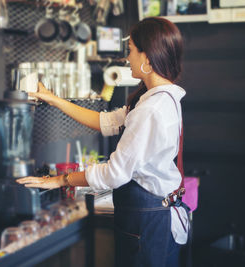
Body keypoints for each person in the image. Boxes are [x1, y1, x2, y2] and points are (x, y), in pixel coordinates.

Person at [16, 17, 189, 267]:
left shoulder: (151, 109)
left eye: (131, 52)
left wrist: (58, 180)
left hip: (149, 222)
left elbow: (114, 174)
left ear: (148, 60)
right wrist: (55, 100)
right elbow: (106, 121)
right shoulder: (160, 99)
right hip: (156, 215)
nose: (127, 58)